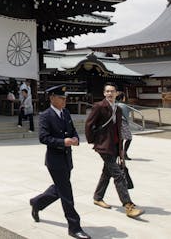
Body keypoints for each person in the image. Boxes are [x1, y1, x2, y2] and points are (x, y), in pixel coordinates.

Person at [29, 85, 90, 239]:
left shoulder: (66, 113)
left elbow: (73, 130)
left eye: (65, 98)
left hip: (67, 158)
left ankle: (37, 202)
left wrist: (75, 138)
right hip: (55, 161)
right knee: (66, 193)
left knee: (60, 188)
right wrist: (63, 142)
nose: (64, 101)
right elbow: (43, 138)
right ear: (52, 98)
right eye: (61, 98)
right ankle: (74, 227)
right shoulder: (45, 115)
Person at [85, 82, 144, 218]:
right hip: (103, 146)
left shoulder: (118, 109)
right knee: (118, 175)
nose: (110, 94)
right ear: (104, 93)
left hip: (115, 145)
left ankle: (98, 197)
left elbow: (118, 130)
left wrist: (121, 150)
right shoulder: (99, 106)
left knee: (107, 173)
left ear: (116, 93)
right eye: (107, 91)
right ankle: (128, 205)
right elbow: (89, 124)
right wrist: (93, 141)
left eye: (112, 91)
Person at [116, 92, 133, 160]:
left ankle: (120, 153)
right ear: (122, 98)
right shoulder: (123, 106)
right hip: (123, 122)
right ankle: (124, 153)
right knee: (129, 138)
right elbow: (127, 113)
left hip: (116, 123)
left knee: (121, 139)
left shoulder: (114, 104)